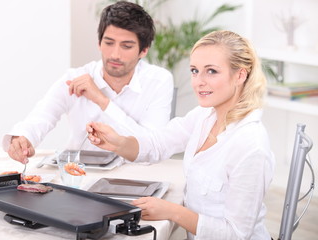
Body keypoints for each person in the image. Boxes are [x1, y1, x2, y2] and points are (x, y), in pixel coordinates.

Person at [87, 30, 275, 239]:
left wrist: (172, 211)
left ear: (240, 75)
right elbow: (159, 143)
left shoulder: (250, 145)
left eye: (211, 71)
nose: (198, 81)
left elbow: (236, 233)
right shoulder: (204, 115)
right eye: (195, 71)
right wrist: (118, 143)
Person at [3, 1, 173, 163]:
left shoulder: (158, 81)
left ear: (143, 50)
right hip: (80, 175)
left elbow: (152, 147)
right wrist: (24, 138)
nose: (115, 54)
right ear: (99, 43)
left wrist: (102, 100)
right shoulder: (76, 77)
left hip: (136, 176)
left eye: (126, 46)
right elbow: (43, 114)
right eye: (108, 43)